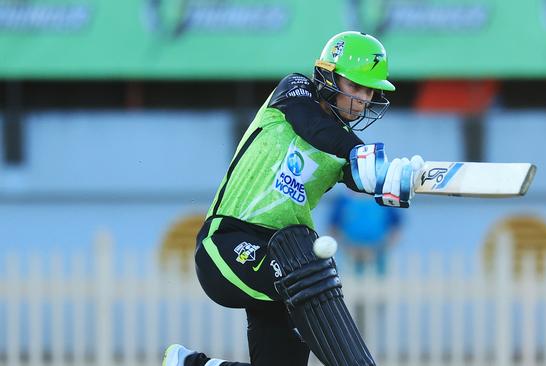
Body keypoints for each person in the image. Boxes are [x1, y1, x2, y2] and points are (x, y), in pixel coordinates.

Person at [163, 31, 423, 366]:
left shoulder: (344, 148)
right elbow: (312, 126)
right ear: (328, 76)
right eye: (355, 87)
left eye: (369, 90)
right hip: (227, 244)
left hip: (282, 252)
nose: (363, 98)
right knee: (307, 269)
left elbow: (362, 176)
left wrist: (395, 180)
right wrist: (360, 152)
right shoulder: (294, 92)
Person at [329, 190, 402, 277]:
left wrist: (380, 249)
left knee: (380, 282)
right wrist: (348, 249)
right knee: (353, 282)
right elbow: (333, 227)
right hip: (351, 253)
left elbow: (396, 227)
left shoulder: (384, 198)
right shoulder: (343, 200)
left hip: (379, 254)